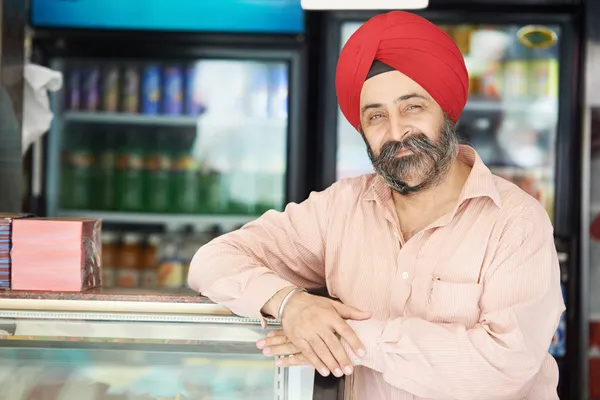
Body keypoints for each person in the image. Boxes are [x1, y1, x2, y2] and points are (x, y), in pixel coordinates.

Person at [188, 10, 565, 399]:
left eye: (412, 107)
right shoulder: (340, 209)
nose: (397, 131)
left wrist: (344, 336)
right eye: (376, 116)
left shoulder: (516, 221)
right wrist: (290, 305)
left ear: (446, 110)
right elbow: (213, 260)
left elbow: (502, 368)